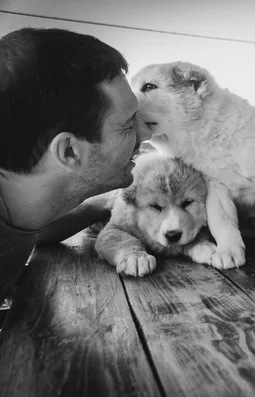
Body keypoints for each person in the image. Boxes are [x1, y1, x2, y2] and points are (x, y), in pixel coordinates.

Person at [0, 28, 152, 302]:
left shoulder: (23, 201)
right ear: (69, 151)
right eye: (128, 123)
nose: (146, 134)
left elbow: (39, 230)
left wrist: (105, 202)